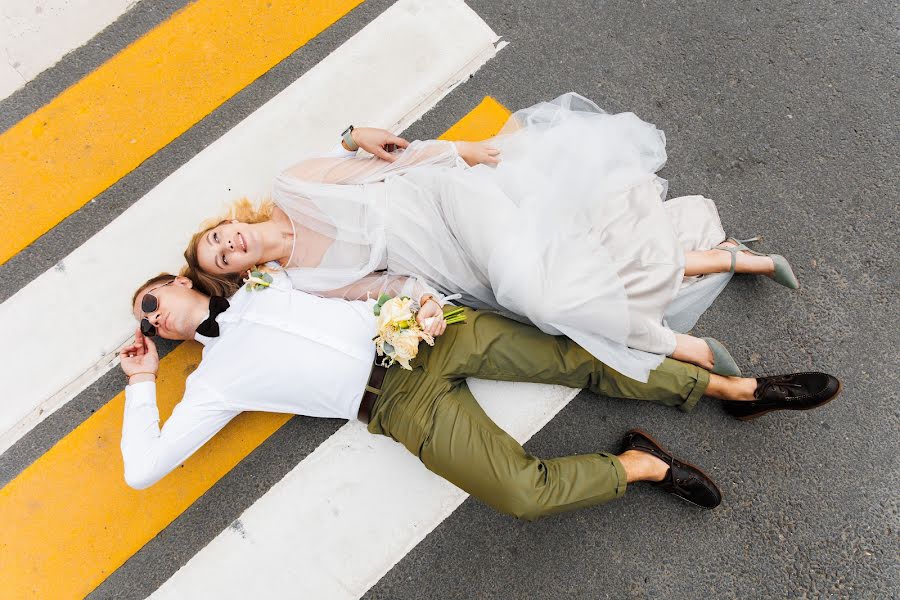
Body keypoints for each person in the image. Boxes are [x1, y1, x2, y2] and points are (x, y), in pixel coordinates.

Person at [118, 270, 841, 520]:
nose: (154, 316)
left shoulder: (267, 278)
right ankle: (642, 465)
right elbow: (142, 469)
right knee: (520, 496)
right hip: (397, 407)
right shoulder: (211, 382)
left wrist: (420, 299)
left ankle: (736, 387)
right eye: (147, 320)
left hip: (429, 334)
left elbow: (356, 260)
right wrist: (145, 383)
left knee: (572, 357)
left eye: (154, 298)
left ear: (182, 283)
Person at [180, 93, 799, 383]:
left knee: (546, 298)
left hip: (446, 200)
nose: (229, 245)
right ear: (235, 274)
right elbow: (387, 285)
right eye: (222, 258)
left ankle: (677, 345)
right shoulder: (303, 280)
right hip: (450, 267)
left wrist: (446, 150)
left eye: (218, 237)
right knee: (574, 274)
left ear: (225, 222)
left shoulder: (292, 187)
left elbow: (384, 159)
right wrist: (417, 310)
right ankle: (729, 260)